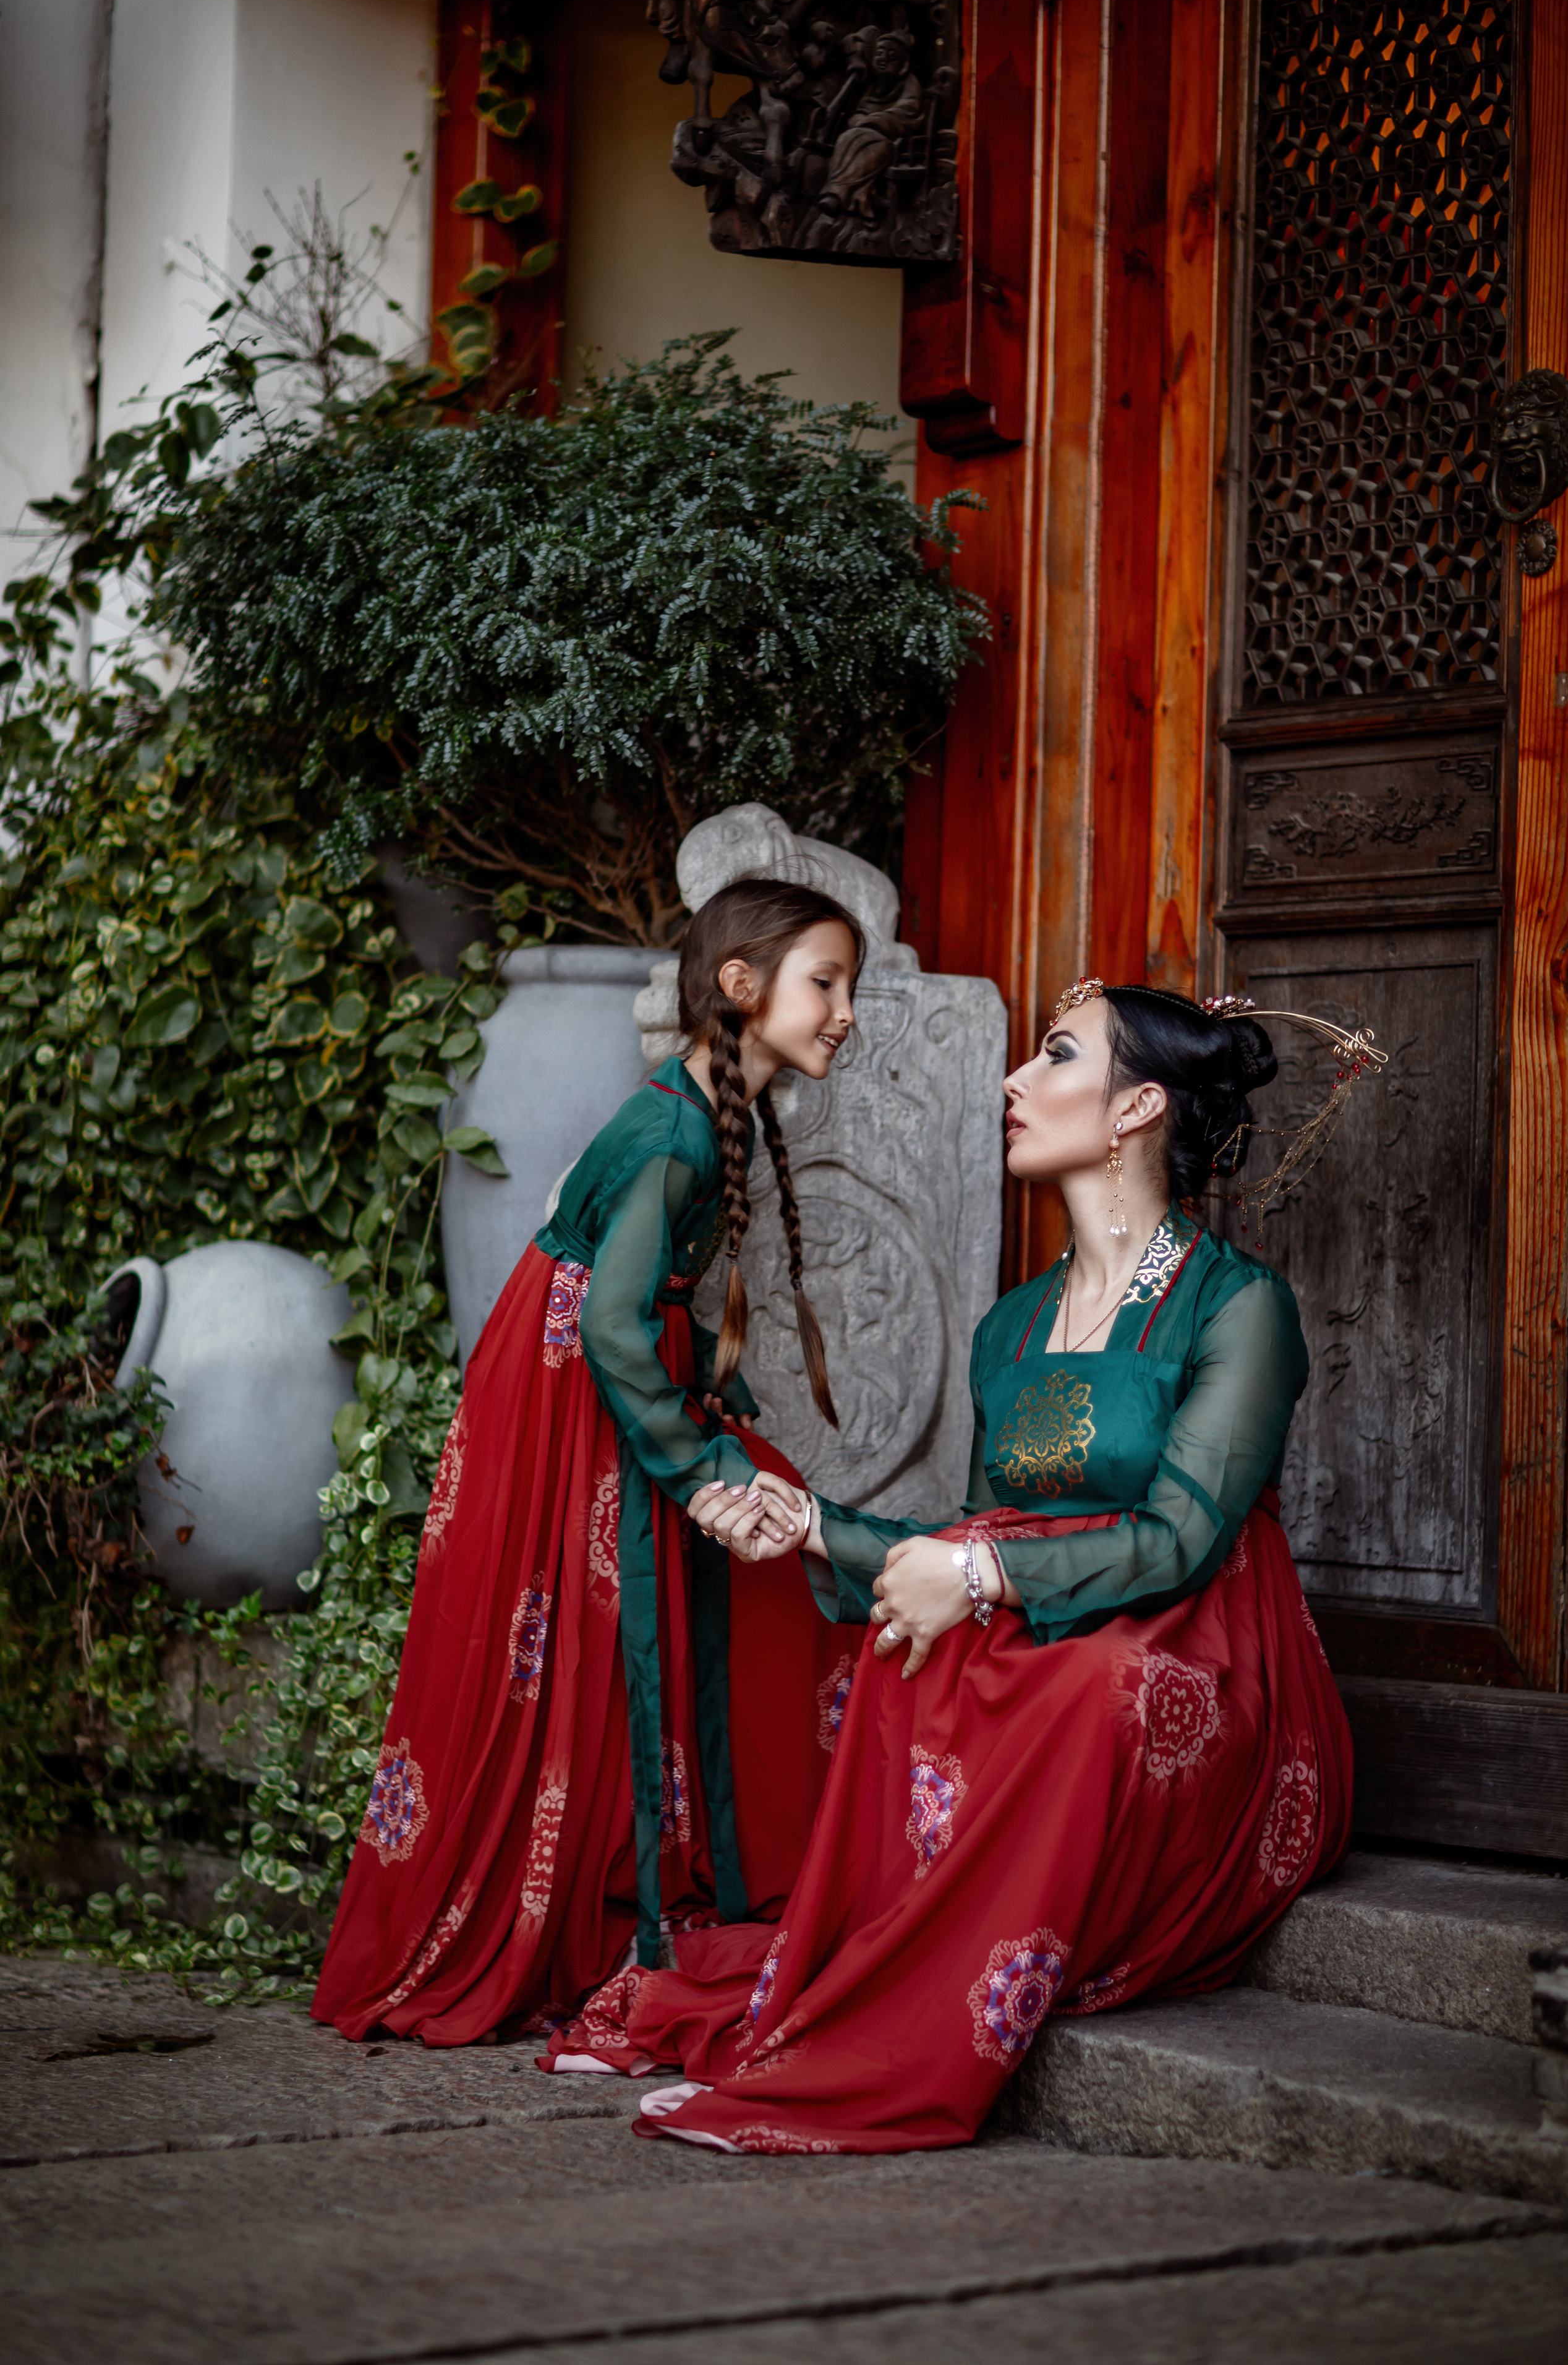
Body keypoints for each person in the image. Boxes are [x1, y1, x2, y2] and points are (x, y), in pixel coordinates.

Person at [540, 979, 1353, 2152]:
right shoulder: (1009, 1327)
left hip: (1203, 1643)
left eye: (1056, 1056)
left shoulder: (1237, 1306)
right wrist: (811, 1524)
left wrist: (974, 1582)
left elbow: (1183, 1542)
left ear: (1137, 1108)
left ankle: (907, 2035)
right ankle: (875, 1974)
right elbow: (987, 1534)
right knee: (905, 1657)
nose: (1014, 1081)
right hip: (1059, 1609)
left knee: (1089, 1692)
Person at [313, 879, 863, 2045]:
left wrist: (706, 1407)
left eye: (846, 986)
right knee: (565, 1637)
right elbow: (613, 1323)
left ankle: (709, 1866)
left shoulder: (707, 1112)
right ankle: (570, 1909)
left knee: (701, 1590)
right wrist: (701, 1476)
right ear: (741, 985)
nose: (845, 1011)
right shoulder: (674, 1131)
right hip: (576, 1377)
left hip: (603, 1369)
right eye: (826, 982)